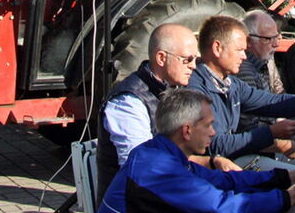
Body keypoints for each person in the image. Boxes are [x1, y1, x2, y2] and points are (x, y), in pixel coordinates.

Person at [78, 89, 295, 213]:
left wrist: (286, 177)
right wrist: (289, 197)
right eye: (208, 125)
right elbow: (223, 207)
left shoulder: (161, 154)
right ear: (186, 131)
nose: (214, 132)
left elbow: (223, 180)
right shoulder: (158, 169)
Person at [98, 23, 230, 200]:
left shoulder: (171, 89)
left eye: (196, 60)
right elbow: (142, 167)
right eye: (187, 59)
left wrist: (212, 163)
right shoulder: (128, 102)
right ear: (161, 58)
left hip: (160, 197)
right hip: (134, 212)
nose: (193, 66)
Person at [189, 16, 295, 161]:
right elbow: (215, 145)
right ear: (217, 48)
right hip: (217, 164)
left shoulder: (230, 83)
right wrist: (272, 134)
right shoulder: (197, 89)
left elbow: (271, 102)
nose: (244, 56)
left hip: (231, 156)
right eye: (239, 50)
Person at [236, 10, 286, 132]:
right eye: (268, 39)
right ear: (248, 41)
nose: (276, 44)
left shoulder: (261, 64)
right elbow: (248, 127)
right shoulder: (244, 71)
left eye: (276, 37)